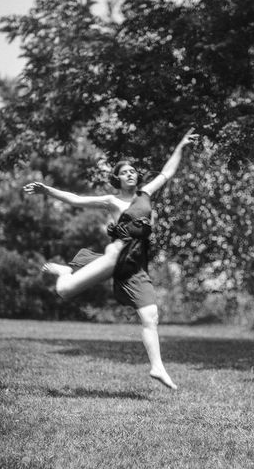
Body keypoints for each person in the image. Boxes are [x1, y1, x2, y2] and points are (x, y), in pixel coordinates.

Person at [23, 129, 199, 389]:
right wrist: (47, 190)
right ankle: (64, 273)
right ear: (117, 178)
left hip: (136, 266)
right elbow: (76, 199)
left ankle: (157, 366)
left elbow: (167, 172)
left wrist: (181, 145)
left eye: (133, 171)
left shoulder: (146, 194)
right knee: (65, 291)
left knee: (151, 315)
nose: (131, 174)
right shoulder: (112, 201)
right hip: (116, 257)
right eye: (125, 172)